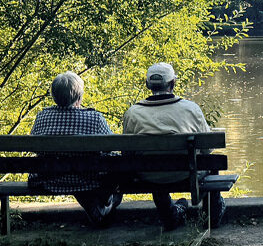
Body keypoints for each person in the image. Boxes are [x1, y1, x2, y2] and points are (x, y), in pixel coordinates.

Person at [122, 62, 225, 230]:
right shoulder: (190, 109)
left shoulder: (133, 113)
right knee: (211, 162)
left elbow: (127, 154)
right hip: (186, 173)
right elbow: (208, 149)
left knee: (154, 162)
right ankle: (211, 216)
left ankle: (169, 215)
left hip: (149, 175)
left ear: (148, 85)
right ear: (173, 84)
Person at [28, 71, 121, 227]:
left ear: (54, 96)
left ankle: (99, 209)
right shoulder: (94, 118)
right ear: (80, 97)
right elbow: (111, 148)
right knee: (115, 168)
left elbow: (36, 148)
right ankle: (104, 206)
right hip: (88, 180)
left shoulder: (42, 117)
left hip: (49, 179)